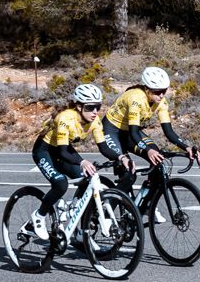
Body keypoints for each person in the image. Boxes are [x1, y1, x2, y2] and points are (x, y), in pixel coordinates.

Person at [28, 83, 135, 240]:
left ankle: (78, 229)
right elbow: (63, 151)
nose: (95, 112)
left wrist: (121, 157)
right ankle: (39, 215)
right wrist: (82, 161)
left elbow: (104, 147)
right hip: (45, 150)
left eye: (98, 107)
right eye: (90, 107)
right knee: (61, 183)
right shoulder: (65, 118)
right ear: (78, 106)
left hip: (63, 149)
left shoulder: (95, 121)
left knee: (88, 178)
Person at [99, 67, 200, 218]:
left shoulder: (161, 102)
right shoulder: (136, 99)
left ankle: (145, 204)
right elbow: (134, 133)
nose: (161, 95)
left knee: (158, 161)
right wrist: (147, 150)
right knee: (129, 173)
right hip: (112, 130)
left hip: (129, 131)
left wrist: (186, 147)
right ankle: (107, 211)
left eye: (164, 91)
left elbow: (168, 132)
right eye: (157, 91)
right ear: (147, 89)